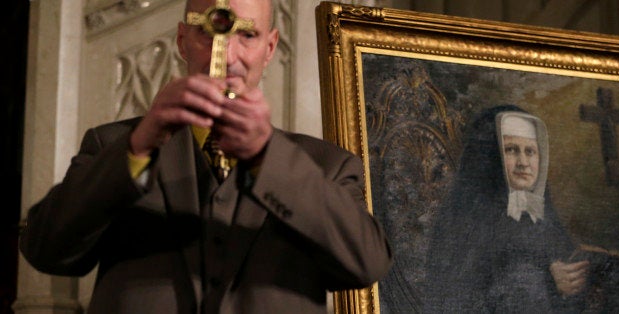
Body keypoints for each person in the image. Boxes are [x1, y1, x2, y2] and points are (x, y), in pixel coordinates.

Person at [18, 0, 392, 313]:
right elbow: (45, 249)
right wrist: (139, 145)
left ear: (271, 47)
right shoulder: (111, 145)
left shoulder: (328, 165)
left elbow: (366, 264)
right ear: (182, 40)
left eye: (246, 35)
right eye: (209, 31)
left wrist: (268, 157)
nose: (226, 56)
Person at [424, 105, 589, 313]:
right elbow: (459, 294)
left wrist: (574, 282)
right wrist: (549, 281)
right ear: (493, 156)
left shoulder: (542, 215)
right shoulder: (469, 216)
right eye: (511, 150)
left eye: (530, 151)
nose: (523, 163)